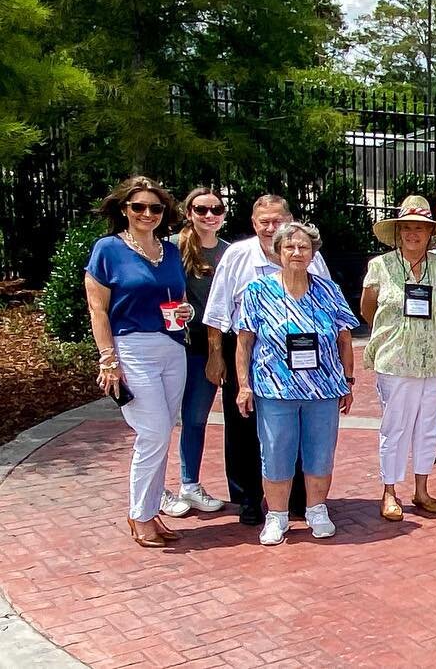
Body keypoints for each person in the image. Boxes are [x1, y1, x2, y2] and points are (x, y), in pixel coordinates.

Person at [203, 195, 328, 525]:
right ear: (253, 223)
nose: (271, 228)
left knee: (299, 430)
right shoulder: (237, 255)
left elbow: (330, 304)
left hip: (304, 355)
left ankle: (300, 499)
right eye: (264, 222)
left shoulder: (310, 256)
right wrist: (217, 357)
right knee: (244, 428)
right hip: (249, 348)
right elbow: (217, 312)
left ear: (289, 220)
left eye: (277, 221)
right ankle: (248, 497)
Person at [234, 223, 359, 545]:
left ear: (313, 253)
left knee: (320, 453)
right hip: (275, 390)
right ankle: (276, 516)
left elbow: (344, 338)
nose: (296, 253)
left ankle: (317, 510)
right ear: (277, 252)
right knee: (276, 452)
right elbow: (244, 342)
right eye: (289, 247)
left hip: (324, 388)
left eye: (304, 247)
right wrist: (244, 385)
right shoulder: (257, 291)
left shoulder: (329, 290)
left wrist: (347, 380)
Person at [85, 177, 189, 548]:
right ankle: (139, 514)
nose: (147, 214)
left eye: (155, 208)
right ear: (124, 210)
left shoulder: (171, 251)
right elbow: (98, 309)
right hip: (131, 348)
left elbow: (174, 299)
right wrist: (108, 360)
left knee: (163, 432)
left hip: (172, 347)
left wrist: (184, 310)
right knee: (154, 431)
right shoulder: (107, 249)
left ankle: (150, 509)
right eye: (139, 207)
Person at [360, 196, 436, 521]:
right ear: (398, 231)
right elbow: (368, 308)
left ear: (431, 233)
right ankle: (389, 491)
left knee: (430, 425)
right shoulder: (380, 266)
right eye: (407, 228)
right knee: (396, 425)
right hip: (395, 359)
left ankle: (422, 488)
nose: (414, 234)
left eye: (421, 229)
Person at [158, 187, 230, 519]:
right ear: (189, 213)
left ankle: (190, 484)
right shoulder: (171, 249)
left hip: (208, 348)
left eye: (216, 209)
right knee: (159, 422)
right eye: (201, 210)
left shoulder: (230, 253)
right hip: (173, 346)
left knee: (196, 420)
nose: (209, 216)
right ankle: (156, 489)